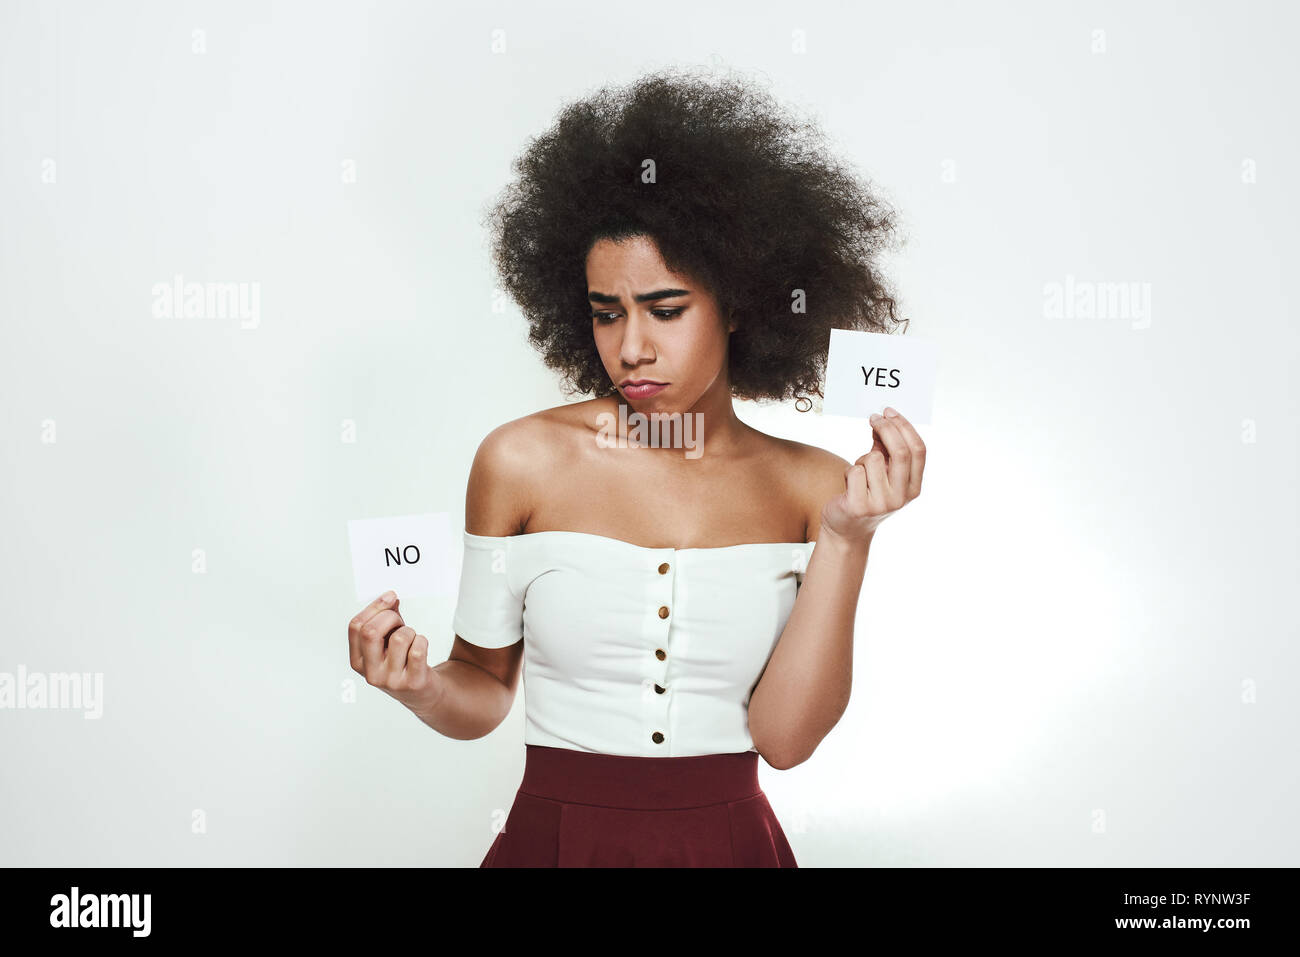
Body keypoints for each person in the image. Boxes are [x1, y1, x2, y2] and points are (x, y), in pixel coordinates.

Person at [345, 67, 926, 867]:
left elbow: (784, 742)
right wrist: (417, 686)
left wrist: (851, 536)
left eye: (666, 309)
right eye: (605, 312)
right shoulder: (519, 461)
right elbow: (480, 688)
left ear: (740, 304)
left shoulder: (817, 489)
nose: (631, 348)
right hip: (554, 845)